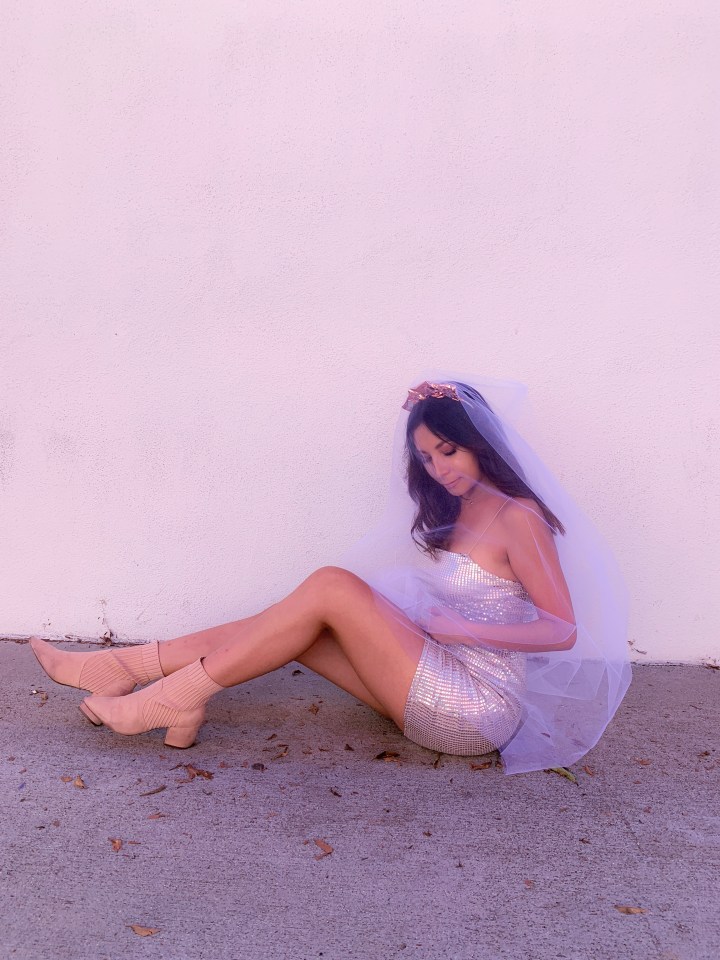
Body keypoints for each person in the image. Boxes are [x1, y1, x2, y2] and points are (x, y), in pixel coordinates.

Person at [29, 375, 631, 774]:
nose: (438, 468)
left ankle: (164, 697)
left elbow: (562, 631)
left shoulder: (519, 517)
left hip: (476, 711)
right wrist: (441, 628)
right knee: (298, 624)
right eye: (426, 458)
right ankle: (126, 671)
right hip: (437, 675)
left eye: (449, 451)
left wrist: (460, 630)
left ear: (480, 442)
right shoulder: (462, 505)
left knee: (330, 585)